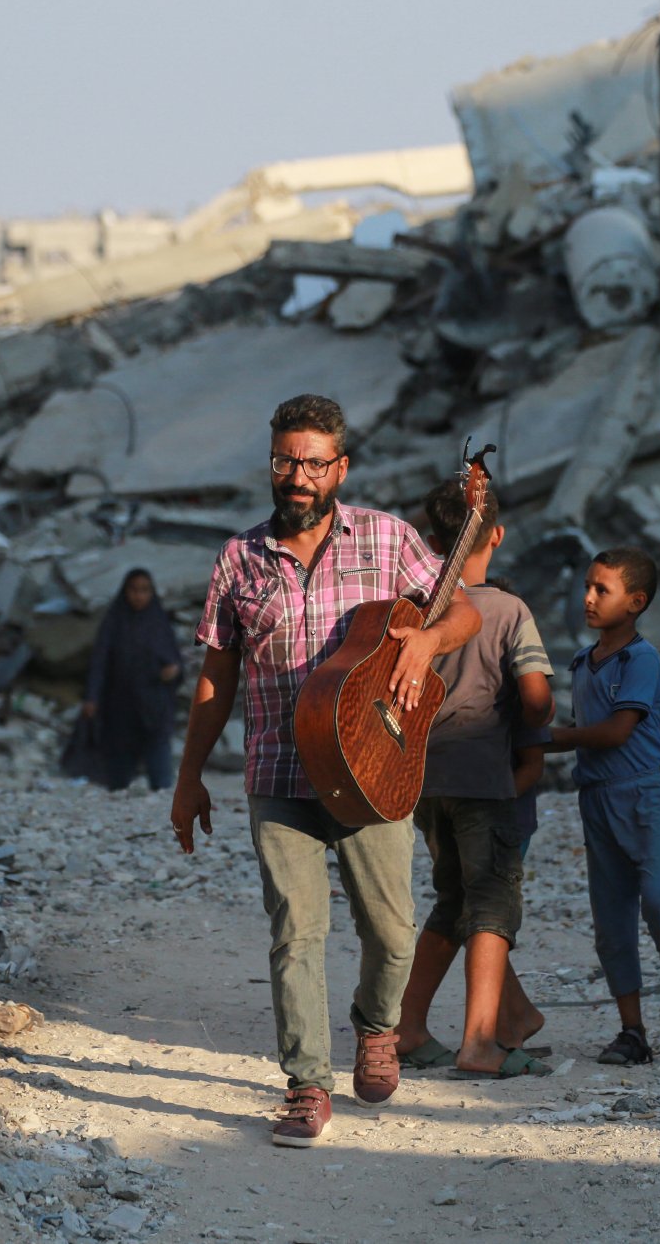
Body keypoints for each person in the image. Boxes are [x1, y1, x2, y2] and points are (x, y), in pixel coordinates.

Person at [170, 394, 481, 1148]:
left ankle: (376, 1027)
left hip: (374, 766)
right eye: (285, 460)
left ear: (339, 467)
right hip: (279, 768)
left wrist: (423, 643)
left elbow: (463, 610)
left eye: (313, 462)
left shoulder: (386, 537)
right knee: (295, 933)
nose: (297, 476)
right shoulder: (238, 559)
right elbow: (217, 675)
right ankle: (306, 1083)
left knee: (393, 930)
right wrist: (188, 775)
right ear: (271, 462)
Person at [396, 480, 555, 1077]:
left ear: (433, 543)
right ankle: (480, 1043)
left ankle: (408, 1028)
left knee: (451, 903)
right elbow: (536, 699)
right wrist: (537, 717)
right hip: (486, 779)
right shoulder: (509, 610)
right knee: (492, 907)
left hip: (424, 780)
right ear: (499, 534)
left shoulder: (420, 611)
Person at [547, 546, 660, 1065]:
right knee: (612, 917)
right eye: (588, 587)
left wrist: (552, 738)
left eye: (603, 590)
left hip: (642, 792)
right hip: (596, 797)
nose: (589, 598)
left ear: (636, 602)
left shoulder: (641, 659)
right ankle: (632, 1031)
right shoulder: (582, 662)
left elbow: (619, 730)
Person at [70, 568, 183, 792]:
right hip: (120, 704)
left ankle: (160, 797)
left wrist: (172, 672)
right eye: (134, 590)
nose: (138, 596)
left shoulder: (158, 623)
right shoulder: (114, 622)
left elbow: (174, 662)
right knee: (119, 766)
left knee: (159, 765)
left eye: (144, 590)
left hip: (154, 704)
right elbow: (100, 661)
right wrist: (92, 697)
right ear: (125, 592)